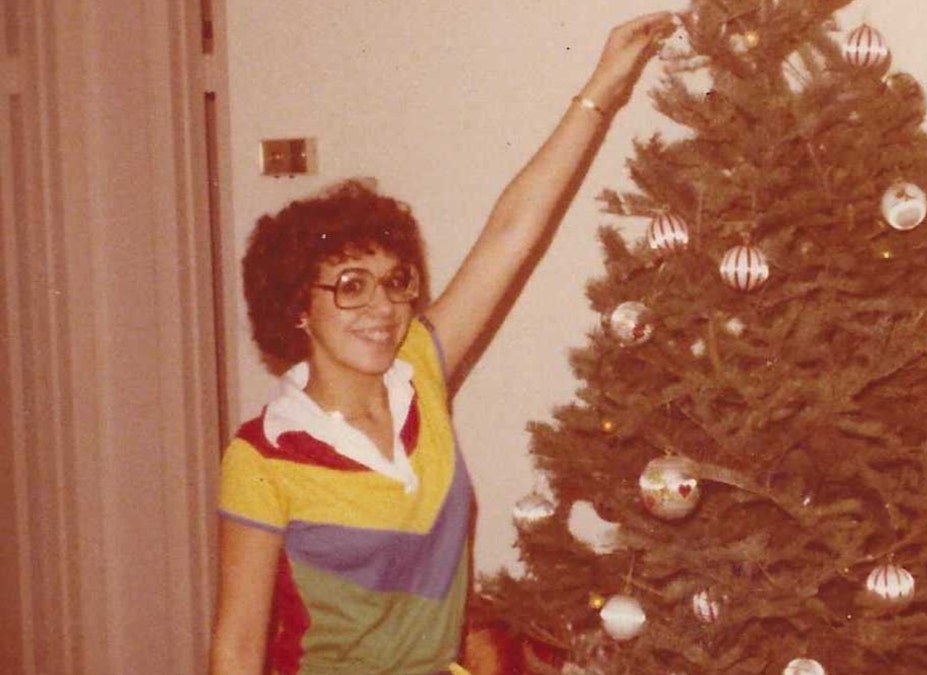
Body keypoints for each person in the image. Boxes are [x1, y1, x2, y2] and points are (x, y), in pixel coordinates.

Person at [209, 11, 676, 675]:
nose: (381, 306)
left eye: (396, 282)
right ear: (297, 309)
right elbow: (235, 649)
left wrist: (603, 86)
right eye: (349, 285)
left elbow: (512, 231)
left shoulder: (418, 372)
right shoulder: (263, 457)